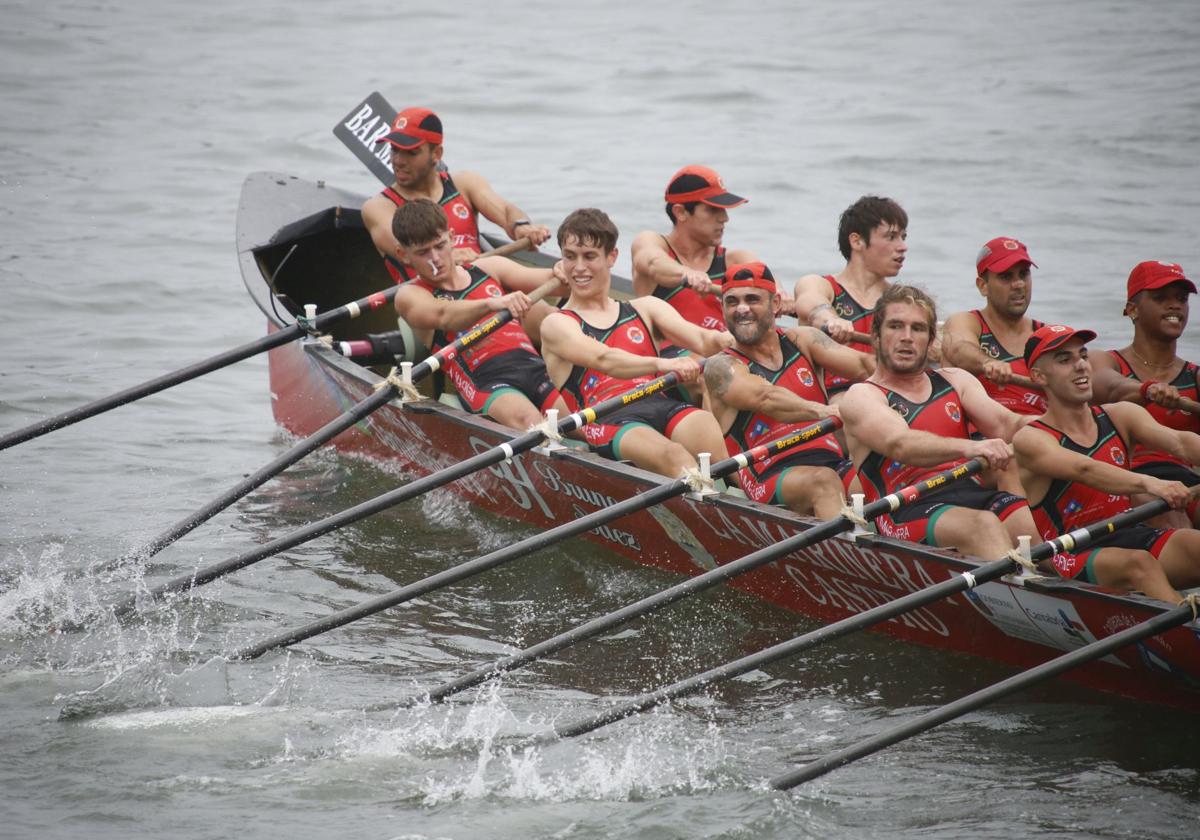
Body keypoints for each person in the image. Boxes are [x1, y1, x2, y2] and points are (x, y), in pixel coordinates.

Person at [839, 284, 1040, 559]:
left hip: (969, 491)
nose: (907, 337)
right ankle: (1016, 595)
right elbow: (900, 444)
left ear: (931, 339)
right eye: (895, 326)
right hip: (902, 510)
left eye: (918, 329)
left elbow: (1007, 424)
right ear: (875, 335)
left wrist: (1057, 427)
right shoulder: (862, 395)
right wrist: (971, 448)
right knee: (983, 525)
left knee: (1034, 529)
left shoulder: (955, 380)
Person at [539, 208, 732, 478]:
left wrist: (731, 338)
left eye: (590, 256)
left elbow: (703, 338)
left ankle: (736, 502)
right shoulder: (557, 323)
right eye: (570, 257)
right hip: (606, 417)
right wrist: (664, 363)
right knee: (673, 455)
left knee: (704, 426)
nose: (579, 267)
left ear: (612, 257)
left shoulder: (647, 308)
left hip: (657, 402)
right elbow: (604, 359)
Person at [1013, 324, 1200, 603]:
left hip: (1128, 533)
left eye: (1083, 356)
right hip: (1069, 553)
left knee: (1193, 545)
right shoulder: (1031, 439)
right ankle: (1187, 633)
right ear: (1039, 376)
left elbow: (1181, 443)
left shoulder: (1121, 415)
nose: (1080, 366)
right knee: (1139, 564)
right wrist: (1153, 483)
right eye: (1065, 360)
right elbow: (1083, 469)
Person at [704, 261, 874, 518]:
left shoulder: (803, 340)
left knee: (875, 482)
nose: (741, 309)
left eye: (752, 299)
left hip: (831, 461)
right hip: (766, 473)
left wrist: (911, 368)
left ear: (774, 305)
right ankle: (847, 556)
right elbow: (765, 397)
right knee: (824, 482)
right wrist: (826, 411)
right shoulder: (721, 366)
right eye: (732, 302)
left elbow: (864, 365)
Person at [390, 198, 567, 431]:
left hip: (534, 367)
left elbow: (557, 284)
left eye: (440, 245)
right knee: (531, 424)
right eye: (423, 252)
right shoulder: (410, 295)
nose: (435, 258)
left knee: (585, 425)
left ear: (451, 237)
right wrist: (492, 303)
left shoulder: (488, 268)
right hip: (486, 383)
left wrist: (567, 268)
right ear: (403, 255)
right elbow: (444, 315)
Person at [361, 107, 551, 282]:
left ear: (437, 154)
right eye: (394, 150)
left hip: (485, 285)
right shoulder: (379, 207)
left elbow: (506, 210)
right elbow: (406, 249)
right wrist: (450, 255)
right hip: (435, 304)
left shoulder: (464, 183)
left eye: (410, 152)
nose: (398, 161)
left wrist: (521, 227)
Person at [1091, 260, 1200, 527]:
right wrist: (1147, 390)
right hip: (1128, 478)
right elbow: (1109, 386)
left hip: (1187, 481)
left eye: (1182, 298)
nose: (1175, 305)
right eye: (1161, 298)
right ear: (1132, 310)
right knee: (1173, 520)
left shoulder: (1195, 376)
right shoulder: (1107, 361)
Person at [792, 196, 910, 398]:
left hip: (888, 397)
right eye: (891, 237)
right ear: (856, 241)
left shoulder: (903, 300)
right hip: (830, 401)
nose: (902, 247)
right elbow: (810, 304)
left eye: (903, 237)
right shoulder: (821, 285)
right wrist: (832, 320)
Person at [630, 165, 759, 334]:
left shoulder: (736, 260)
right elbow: (653, 262)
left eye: (724, 210)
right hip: (668, 357)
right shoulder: (651, 242)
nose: (724, 218)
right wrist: (687, 273)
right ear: (681, 212)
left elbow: (768, 284)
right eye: (713, 209)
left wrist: (782, 297)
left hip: (723, 355)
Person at [942, 236, 1046, 415]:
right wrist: (988, 362)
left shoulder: (1046, 335)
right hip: (983, 437)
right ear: (983, 286)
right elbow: (958, 349)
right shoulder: (967, 322)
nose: (1019, 284)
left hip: (1039, 432)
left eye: (1024, 274)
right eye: (1006, 277)